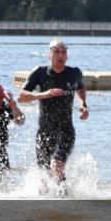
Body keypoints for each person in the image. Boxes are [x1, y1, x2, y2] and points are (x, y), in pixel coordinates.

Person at [18, 38, 88, 187]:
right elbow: (21, 97)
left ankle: (63, 199)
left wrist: (83, 105)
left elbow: (81, 88)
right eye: (56, 52)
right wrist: (43, 94)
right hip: (44, 131)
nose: (60, 55)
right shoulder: (40, 72)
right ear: (49, 55)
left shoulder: (74, 73)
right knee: (43, 177)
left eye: (63, 52)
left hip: (66, 130)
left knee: (56, 166)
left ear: (67, 56)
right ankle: (50, 206)